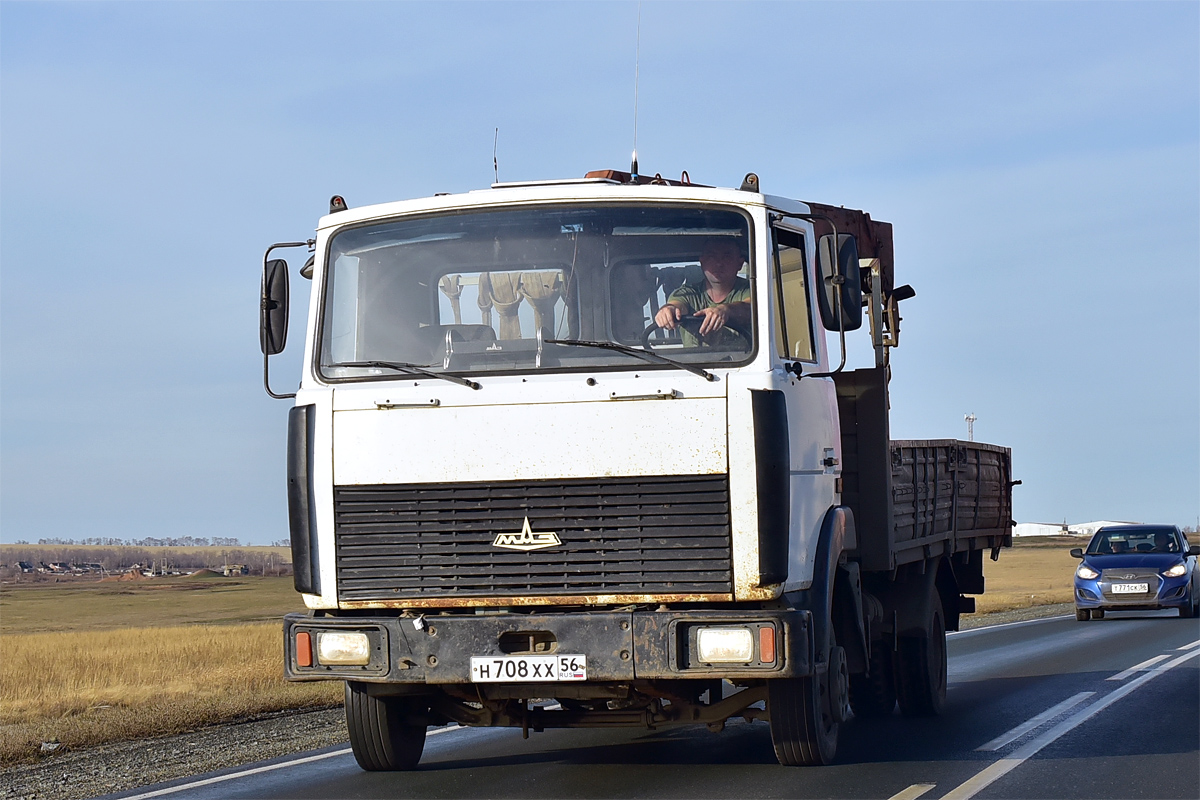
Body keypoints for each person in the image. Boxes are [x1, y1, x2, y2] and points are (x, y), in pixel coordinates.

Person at [653, 237, 751, 346]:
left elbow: (751, 307)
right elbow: (677, 305)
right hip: (691, 363)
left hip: (744, 362)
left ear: (740, 263)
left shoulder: (754, 290)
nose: (719, 263)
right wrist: (668, 311)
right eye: (711, 257)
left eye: (727, 257)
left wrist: (726, 310)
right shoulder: (687, 293)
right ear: (702, 262)